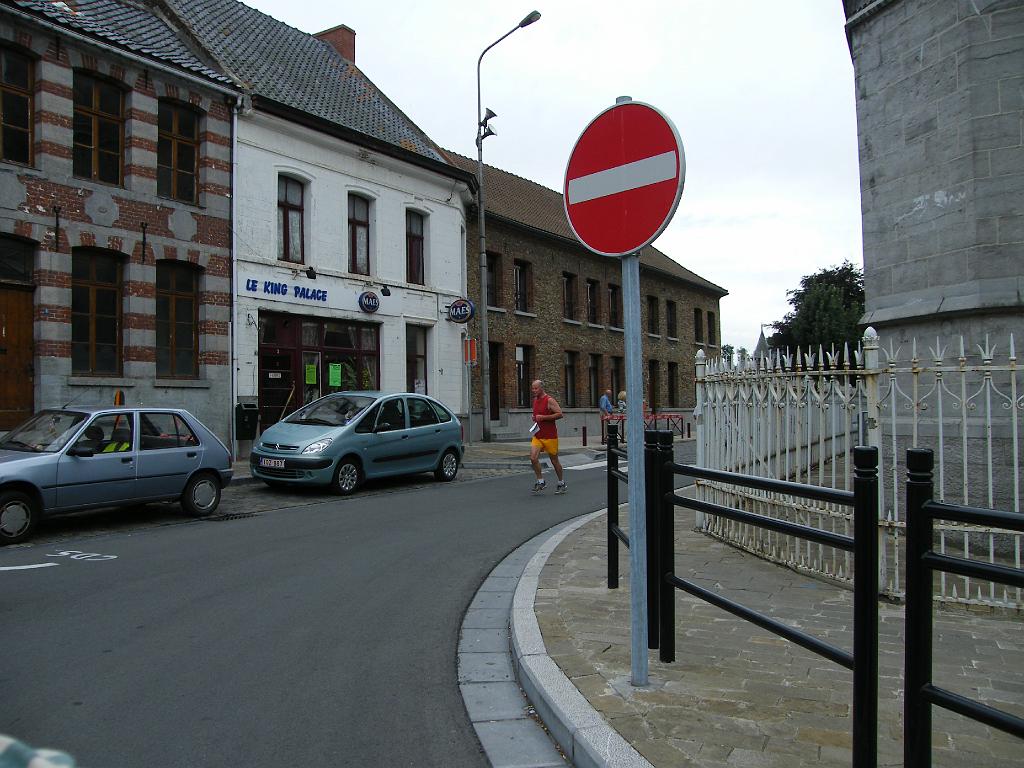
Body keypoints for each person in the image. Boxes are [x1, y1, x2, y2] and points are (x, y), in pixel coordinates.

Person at [530, 379, 566, 494]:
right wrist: (535, 417)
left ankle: (561, 482)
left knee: (554, 461)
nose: (534, 390)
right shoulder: (535, 400)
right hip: (538, 435)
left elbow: (560, 414)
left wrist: (543, 417)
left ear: (541, 388)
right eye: (533, 388)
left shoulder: (549, 400)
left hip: (550, 436)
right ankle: (541, 481)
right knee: (533, 458)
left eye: (536, 388)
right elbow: (538, 415)